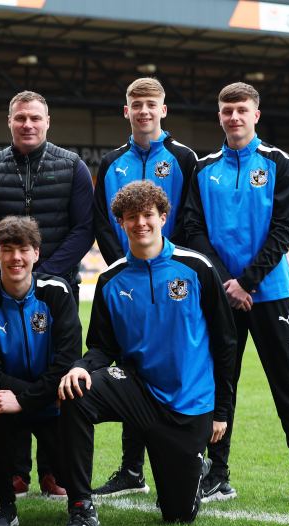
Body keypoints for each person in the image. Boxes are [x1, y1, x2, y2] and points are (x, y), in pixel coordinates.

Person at [56, 181, 236, 526]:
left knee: (178, 515)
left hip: (188, 403)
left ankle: (191, 471)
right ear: (121, 222)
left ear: (163, 217)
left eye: (148, 215)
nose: (141, 223)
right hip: (138, 391)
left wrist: (222, 411)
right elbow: (102, 347)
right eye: (131, 217)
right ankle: (80, 509)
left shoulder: (197, 269)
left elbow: (226, 343)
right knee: (77, 392)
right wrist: (79, 366)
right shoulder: (110, 280)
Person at [181, 82, 289, 505]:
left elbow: (285, 227)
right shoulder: (204, 168)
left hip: (270, 296)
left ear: (256, 115)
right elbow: (195, 230)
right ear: (219, 116)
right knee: (219, 386)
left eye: (241, 110)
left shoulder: (279, 163)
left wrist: (247, 282)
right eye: (227, 111)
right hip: (222, 297)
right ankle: (218, 475)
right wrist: (226, 283)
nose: (234, 117)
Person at [0, 90, 95, 498]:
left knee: (54, 375)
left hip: (56, 290)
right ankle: (15, 469)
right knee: (9, 369)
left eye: (35, 118)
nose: (28, 124)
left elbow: (84, 228)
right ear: (10, 122)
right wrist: (5, 271)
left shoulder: (72, 166)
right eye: (20, 117)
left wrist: (43, 276)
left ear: (47, 121)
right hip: (3, 288)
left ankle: (54, 470)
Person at [90, 77, 199, 499]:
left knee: (177, 369)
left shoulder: (184, 158)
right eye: (136, 104)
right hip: (129, 283)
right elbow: (102, 219)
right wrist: (119, 267)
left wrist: (177, 271)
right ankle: (131, 469)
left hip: (176, 284)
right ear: (126, 111)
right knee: (128, 366)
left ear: (163, 109)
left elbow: (191, 217)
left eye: (151, 104)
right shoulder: (112, 161)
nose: (144, 111)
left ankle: (205, 463)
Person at [0, 216, 82, 526]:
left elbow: (68, 359)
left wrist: (27, 398)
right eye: (8, 249)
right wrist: (22, 398)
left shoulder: (57, 292)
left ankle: (80, 507)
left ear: (36, 254)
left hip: (53, 400)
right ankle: (4, 504)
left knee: (74, 408)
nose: (16, 257)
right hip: (9, 399)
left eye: (23, 249)